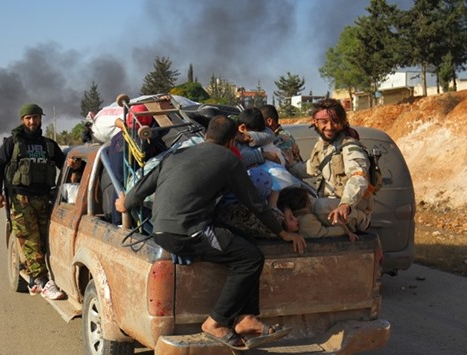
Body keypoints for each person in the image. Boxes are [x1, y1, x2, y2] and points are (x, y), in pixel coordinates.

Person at [115, 116, 303, 350]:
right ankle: (216, 322)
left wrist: (124, 204)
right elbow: (255, 204)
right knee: (250, 258)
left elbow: (140, 190)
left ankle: (247, 318)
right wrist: (282, 232)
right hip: (188, 233)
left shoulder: (176, 155)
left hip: (162, 231)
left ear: (207, 135)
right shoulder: (229, 159)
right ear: (231, 140)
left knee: (245, 243)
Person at [0, 103, 77, 300]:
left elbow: (63, 164)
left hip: (44, 199)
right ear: (22, 120)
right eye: (28, 118)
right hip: (21, 199)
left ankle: (34, 280)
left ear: (41, 119)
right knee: (30, 239)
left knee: (44, 240)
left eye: (36, 117)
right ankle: (41, 281)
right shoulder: (12, 143)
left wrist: (72, 165)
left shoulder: (48, 145)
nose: (32, 121)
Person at [296, 98, 374, 232]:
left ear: (343, 123)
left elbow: (358, 177)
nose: (330, 127)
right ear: (315, 123)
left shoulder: (350, 147)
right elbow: (310, 168)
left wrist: (345, 204)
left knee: (320, 207)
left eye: (335, 122)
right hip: (331, 206)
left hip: (352, 212)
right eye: (324, 122)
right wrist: (285, 166)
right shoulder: (322, 146)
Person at [277, 186, 359, 242]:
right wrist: (346, 230)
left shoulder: (317, 211)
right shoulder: (306, 221)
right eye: (291, 218)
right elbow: (328, 232)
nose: (296, 220)